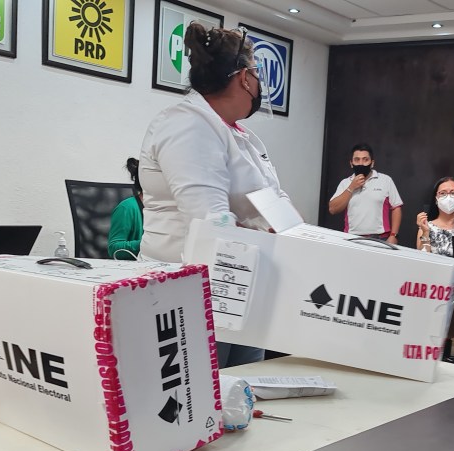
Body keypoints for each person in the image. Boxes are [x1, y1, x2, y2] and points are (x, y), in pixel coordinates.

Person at [138, 24, 295, 368]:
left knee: (248, 385)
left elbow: (275, 198)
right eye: (256, 74)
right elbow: (211, 223)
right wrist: (262, 233)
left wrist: (290, 234)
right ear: (244, 78)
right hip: (191, 291)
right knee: (209, 388)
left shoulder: (240, 134)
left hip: (241, 284)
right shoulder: (187, 125)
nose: (259, 84)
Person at [327, 144, 403, 244]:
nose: (361, 163)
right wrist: (351, 187)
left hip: (380, 239)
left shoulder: (385, 180)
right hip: (352, 238)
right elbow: (333, 209)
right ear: (351, 163)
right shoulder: (345, 183)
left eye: (365, 160)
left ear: (372, 163)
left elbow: (396, 207)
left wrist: (394, 235)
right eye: (357, 160)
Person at [108, 157, 144, 260]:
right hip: (136, 267)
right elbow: (113, 248)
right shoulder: (126, 208)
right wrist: (147, 244)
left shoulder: (169, 209)